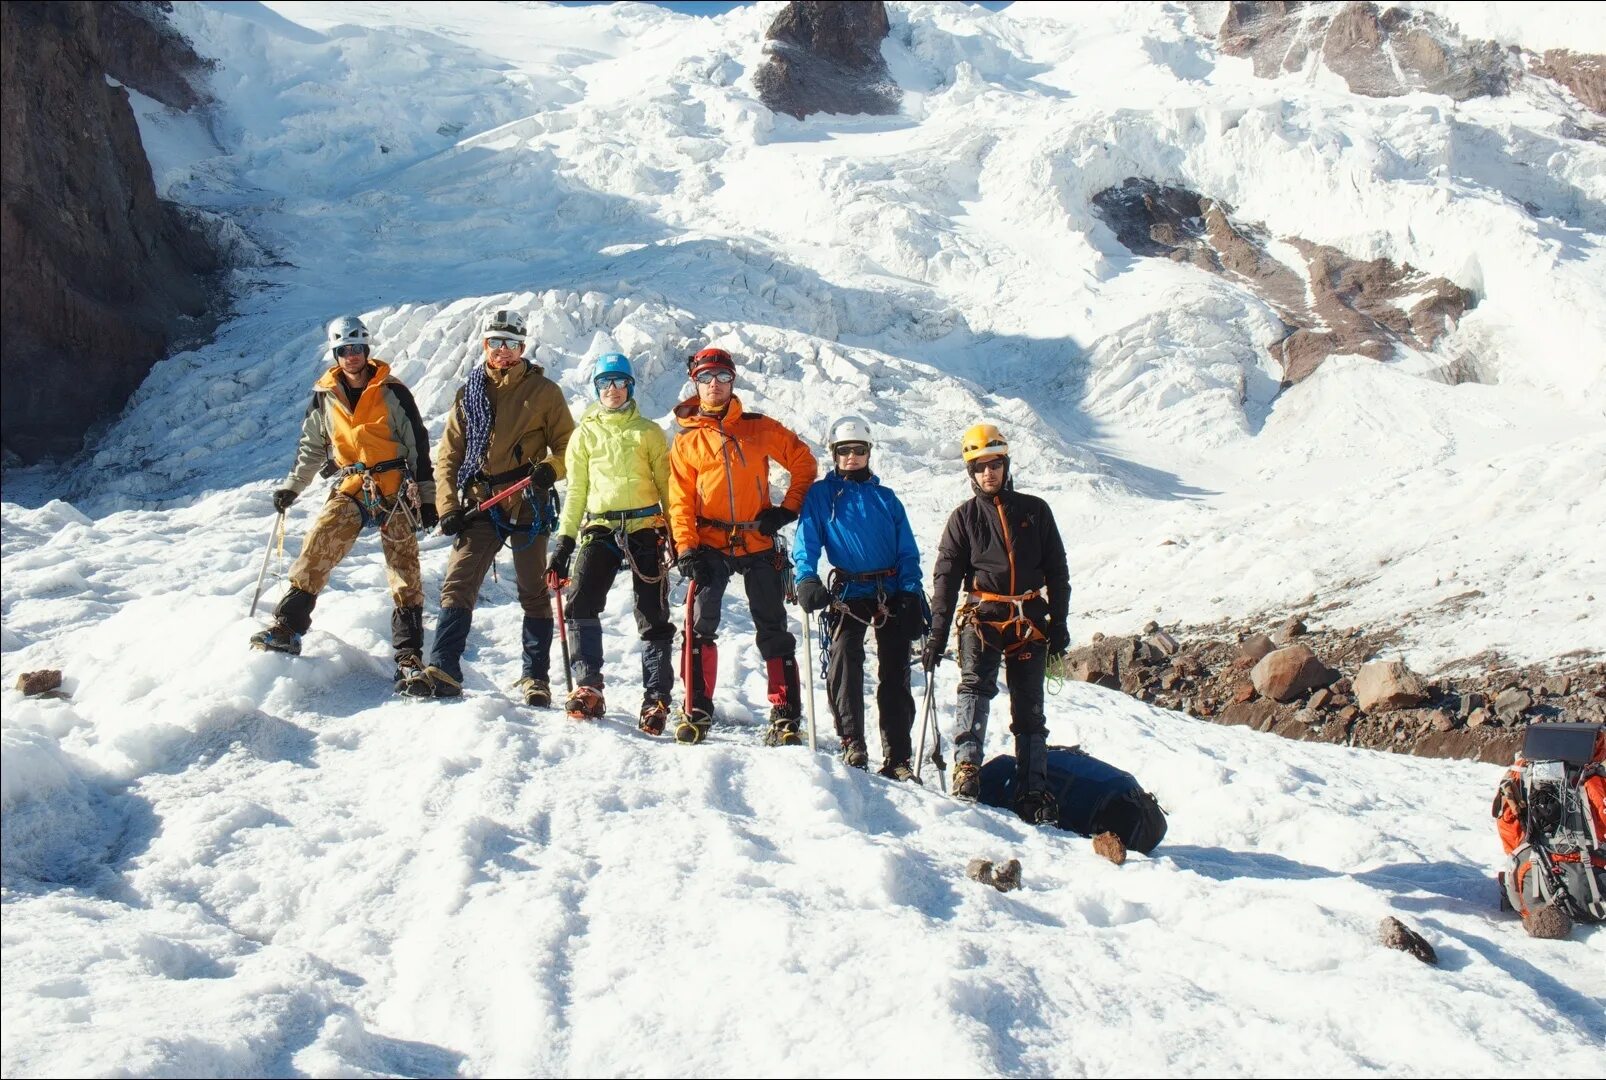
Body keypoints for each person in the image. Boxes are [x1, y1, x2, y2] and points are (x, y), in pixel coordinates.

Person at [250, 316, 437, 696]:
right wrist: (292, 487)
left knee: (404, 568)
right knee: (320, 542)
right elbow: (312, 448)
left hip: (395, 486)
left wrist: (428, 498)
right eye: (344, 350)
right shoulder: (325, 395)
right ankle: (288, 626)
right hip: (354, 482)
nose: (351, 356)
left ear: (367, 350)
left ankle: (408, 658)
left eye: (356, 348)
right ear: (335, 354)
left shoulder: (391, 391)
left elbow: (417, 445)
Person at [666, 347, 816, 746]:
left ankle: (785, 715)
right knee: (700, 625)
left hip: (757, 539)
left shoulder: (758, 427)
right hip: (710, 543)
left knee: (773, 627)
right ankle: (696, 707)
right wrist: (685, 547)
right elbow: (679, 500)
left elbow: (804, 462)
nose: (714, 385)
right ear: (695, 384)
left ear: (733, 381)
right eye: (706, 378)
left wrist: (788, 509)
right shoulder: (687, 442)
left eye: (722, 377)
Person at [921, 424, 1071, 823]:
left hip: (1028, 621)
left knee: (1030, 711)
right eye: (980, 467)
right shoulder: (964, 518)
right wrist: (937, 633)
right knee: (975, 688)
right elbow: (946, 578)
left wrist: (1060, 622)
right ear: (970, 472)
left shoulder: (1035, 511)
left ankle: (1033, 789)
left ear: (1006, 465)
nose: (989, 473)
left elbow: (1057, 571)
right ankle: (967, 770)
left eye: (995, 464)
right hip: (982, 618)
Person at [426, 309, 575, 703]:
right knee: (458, 582)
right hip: (481, 502)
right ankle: (443, 666)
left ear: (523, 348)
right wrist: (447, 506)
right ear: (484, 346)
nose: (503, 351)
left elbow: (567, 447)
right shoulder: (469, 393)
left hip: (529, 503)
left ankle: (535, 678)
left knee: (532, 590)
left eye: (511, 344)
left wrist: (550, 469)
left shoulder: (546, 393)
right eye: (496, 342)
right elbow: (449, 457)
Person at [546, 353, 676, 731]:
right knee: (581, 599)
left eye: (620, 382)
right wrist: (564, 543)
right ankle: (589, 687)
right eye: (605, 383)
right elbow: (576, 492)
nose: (613, 390)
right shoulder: (584, 434)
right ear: (596, 388)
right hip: (600, 526)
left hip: (645, 525)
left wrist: (679, 537)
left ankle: (656, 699)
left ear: (631, 387)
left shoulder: (649, 432)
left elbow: (668, 487)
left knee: (652, 613)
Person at [792, 416, 926, 779]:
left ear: (868, 452)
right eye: (844, 450)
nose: (851, 456)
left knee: (895, 670)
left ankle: (897, 755)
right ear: (834, 454)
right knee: (844, 657)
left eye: (858, 450)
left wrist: (912, 591)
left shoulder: (887, 499)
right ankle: (853, 740)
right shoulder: (822, 495)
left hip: (892, 588)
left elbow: (907, 552)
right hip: (850, 590)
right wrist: (806, 577)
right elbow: (806, 542)